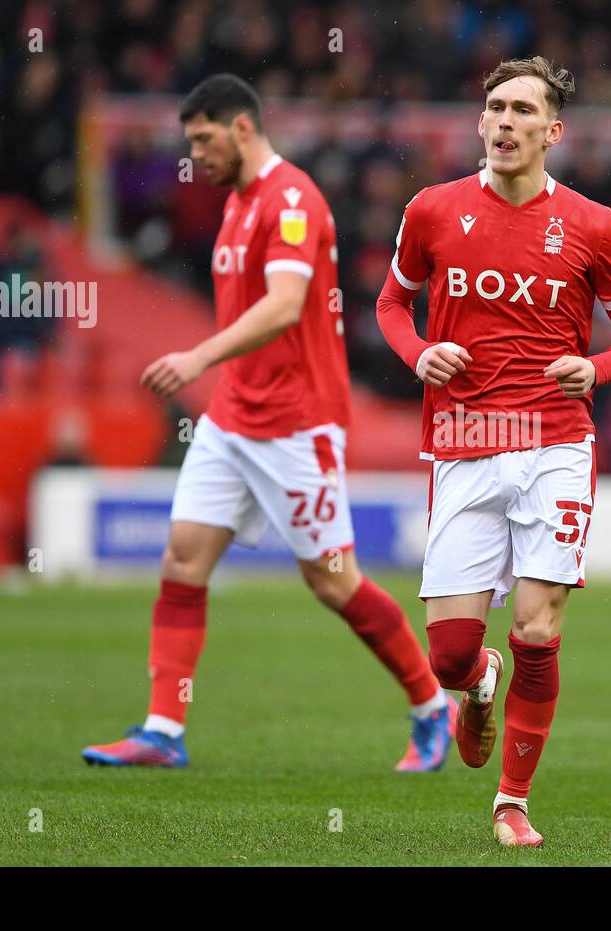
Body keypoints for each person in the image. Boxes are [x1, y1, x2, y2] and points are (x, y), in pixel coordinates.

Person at [83, 74, 455, 772]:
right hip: (234, 417)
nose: (195, 155)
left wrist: (198, 356)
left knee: (331, 580)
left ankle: (434, 705)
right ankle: (163, 729)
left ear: (243, 128)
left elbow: (286, 305)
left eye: (203, 139)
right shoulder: (237, 204)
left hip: (297, 421)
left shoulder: (291, 199)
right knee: (183, 560)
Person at [376, 56, 611, 844]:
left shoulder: (595, 226)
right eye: (494, 108)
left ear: (552, 132)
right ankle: (480, 685)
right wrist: (418, 352)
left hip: (557, 443)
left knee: (537, 626)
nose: (504, 122)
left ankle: (512, 802)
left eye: (522, 111)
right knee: (452, 656)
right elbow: (393, 303)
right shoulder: (431, 210)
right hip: (464, 440)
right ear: (479, 122)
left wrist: (594, 367)